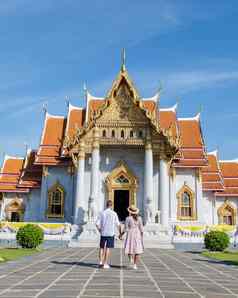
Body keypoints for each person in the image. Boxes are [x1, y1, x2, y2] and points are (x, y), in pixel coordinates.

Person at [96, 200, 121, 269]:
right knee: (107, 248)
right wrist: (120, 233)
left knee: (101, 248)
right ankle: (105, 263)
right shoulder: (114, 213)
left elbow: (97, 224)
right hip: (111, 233)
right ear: (111, 205)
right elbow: (118, 224)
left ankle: (100, 262)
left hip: (103, 233)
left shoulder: (102, 213)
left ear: (106, 205)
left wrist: (100, 231)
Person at [120, 205, 144, 270]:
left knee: (129, 247)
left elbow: (125, 228)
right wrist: (141, 236)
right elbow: (141, 228)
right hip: (137, 234)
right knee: (137, 250)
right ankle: (135, 264)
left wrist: (121, 235)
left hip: (130, 234)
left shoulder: (128, 218)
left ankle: (131, 259)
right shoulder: (140, 218)